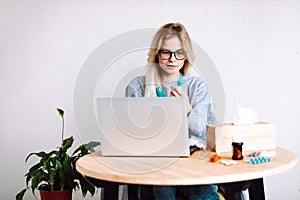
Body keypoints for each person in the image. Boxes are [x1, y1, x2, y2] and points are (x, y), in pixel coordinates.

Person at [126, 23, 219, 200]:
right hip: (154, 164)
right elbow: (133, 136)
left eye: (179, 53)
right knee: (160, 192)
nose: (172, 59)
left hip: (192, 163)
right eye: (166, 52)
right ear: (157, 54)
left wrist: (187, 109)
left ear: (186, 55)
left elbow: (203, 133)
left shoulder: (197, 86)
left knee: (204, 195)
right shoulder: (137, 86)